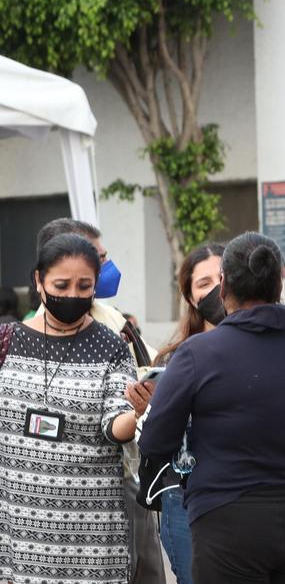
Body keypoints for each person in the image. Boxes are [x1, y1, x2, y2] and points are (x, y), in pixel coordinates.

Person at [139, 232, 285, 583]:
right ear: (279, 283)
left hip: (226, 521)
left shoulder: (197, 354)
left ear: (224, 285)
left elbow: (155, 441)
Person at [0, 233, 143, 583]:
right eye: (61, 285)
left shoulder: (111, 346)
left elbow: (114, 425)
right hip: (18, 536)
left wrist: (138, 410)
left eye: (84, 286)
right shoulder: (7, 342)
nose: (73, 295)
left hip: (92, 542)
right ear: (38, 281)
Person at [34, 217, 166, 584]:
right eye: (100, 258)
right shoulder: (30, 340)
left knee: (147, 570)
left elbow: (147, 363)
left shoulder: (110, 318)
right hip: (79, 487)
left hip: (129, 469)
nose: (107, 268)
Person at [146, 243, 225, 584]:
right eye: (204, 283)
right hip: (184, 492)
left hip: (247, 491)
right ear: (191, 298)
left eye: (223, 277)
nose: (217, 290)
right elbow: (154, 437)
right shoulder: (173, 359)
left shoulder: (270, 346)